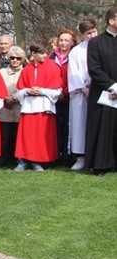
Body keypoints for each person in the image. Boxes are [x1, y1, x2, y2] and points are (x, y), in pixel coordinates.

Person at [14, 43, 62, 171]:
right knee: (26, 136)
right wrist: (28, 91)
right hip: (29, 107)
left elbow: (57, 90)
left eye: (46, 52)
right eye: (41, 53)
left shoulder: (52, 68)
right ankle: (23, 161)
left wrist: (42, 91)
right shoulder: (26, 70)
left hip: (44, 107)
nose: (45, 55)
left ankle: (37, 161)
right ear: (33, 54)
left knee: (40, 136)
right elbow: (19, 91)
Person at [84, 7, 117, 175]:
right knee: (101, 127)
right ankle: (100, 164)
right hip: (103, 93)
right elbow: (94, 69)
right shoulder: (96, 43)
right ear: (111, 21)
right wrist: (113, 86)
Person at [68, 18, 98, 171]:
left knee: (96, 123)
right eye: (88, 33)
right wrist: (83, 88)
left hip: (98, 89)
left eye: (94, 31)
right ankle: (80, 157)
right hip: (81, 92)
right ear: (82, 35)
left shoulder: (101, 46)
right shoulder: (76, 51)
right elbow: (73, 72)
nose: (92, 35)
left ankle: (95, 156)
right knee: (80, 123)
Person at [51, 28, 76, 165]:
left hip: (68, 98)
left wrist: (65, 92)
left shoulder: (74, 57)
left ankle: (66, 155)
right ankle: (55, 154)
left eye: (67, 40)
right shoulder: (51, 57)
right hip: (54, 98)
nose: (63, 43)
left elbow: (74, 77)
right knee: (55, 127)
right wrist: (56, 93)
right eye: (61, 40)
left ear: (72, 42)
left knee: (67, 126)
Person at [0, 46, 25, 167]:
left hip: (19, 105)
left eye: (18, 58)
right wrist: (6, 97)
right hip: (5, 106)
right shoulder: (2, 72)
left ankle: (16, 159)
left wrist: (15, 97)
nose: (15, 60)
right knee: (4, 134)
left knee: (17, 134)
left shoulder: (25, 71)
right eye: (12, 58)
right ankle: (2, 159)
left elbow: (25, 87)